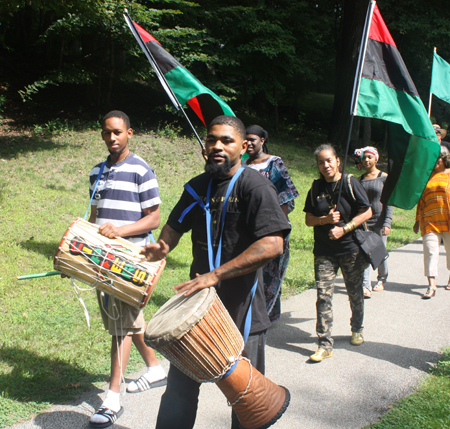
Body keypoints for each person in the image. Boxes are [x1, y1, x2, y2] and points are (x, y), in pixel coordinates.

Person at [141, 115, 291, 429]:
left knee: (246, 398)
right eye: (212, 139)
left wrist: (216, 274)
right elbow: (172, 229)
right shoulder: (197, 187)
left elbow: (272, 245)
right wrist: (160, 249)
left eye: (226, 140)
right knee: (179, 393)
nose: (217, 146)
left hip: (242, 310)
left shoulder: (256, 186)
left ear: (244, 147)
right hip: (195, 312)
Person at [88, 111, 166, 428]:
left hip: (131, 260)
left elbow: (155, 218)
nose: (112, 138)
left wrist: (119, 232)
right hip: (103, 259)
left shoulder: (140, 170)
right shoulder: (97, 172)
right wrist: (84, 259)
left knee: (120, 326)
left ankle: (112, 398)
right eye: (107, 133)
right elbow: (95, 220)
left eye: (118, 132)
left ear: (129, 133)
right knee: (128, 322)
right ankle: (155, 367)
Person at [303, 144, 372, 362]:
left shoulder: (350, 182)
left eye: (329, 160)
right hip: (324, 250)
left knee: (354, 292)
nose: (325, 165)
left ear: (337, 161)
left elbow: (367, 211)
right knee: (323, 296)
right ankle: (324, 343)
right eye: (321, 162)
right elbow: (308, 220)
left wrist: (344, 228)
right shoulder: (316, 188)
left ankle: (357, 327)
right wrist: (325, 220)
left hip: (350, 249)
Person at [243, 124, 299, 321]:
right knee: (252, 272)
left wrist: (278, 228)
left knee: (270, 274)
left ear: (262, 141)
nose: (248, 143)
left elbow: (285, 196)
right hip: (248, 229)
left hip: (272, 228)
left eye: (252, 139)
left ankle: (265, 317)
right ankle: (255, 315)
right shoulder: (242, 165)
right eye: (245, 139)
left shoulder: (274, 163)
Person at [354, 146, 393, 298]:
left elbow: (388, 202)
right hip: (365, 222)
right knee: (366, 253)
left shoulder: (384, 177)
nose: (366, 160)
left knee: (379, 252)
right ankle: (366, 286)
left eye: (370, 157)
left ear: (376, 158)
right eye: (364, 158)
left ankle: (382, 279)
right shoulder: (360, 180)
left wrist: (387, 222)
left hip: (380, 220)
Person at [413, 146, 450, 299]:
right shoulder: (427, 177)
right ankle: (431, 284)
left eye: (438, 158)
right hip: (429, 220)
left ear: (445, 159)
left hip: (447, 220)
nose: (435, 161)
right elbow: (421, 200)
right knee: (430, 252)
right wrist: (416, 221)